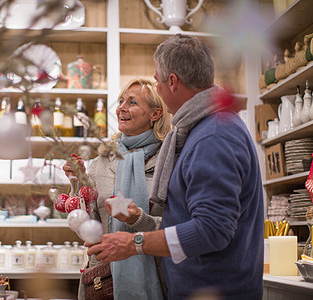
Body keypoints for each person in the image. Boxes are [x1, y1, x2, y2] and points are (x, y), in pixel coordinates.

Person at [87, 34, 264, 299]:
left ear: (172, 81)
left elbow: (212, 229)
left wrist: (135, 243)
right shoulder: (205, 129)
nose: (157, 86)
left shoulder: (213, 136)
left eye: (157, 80)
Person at [62, 78, 172, 299]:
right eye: (121, 101)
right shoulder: (101, 161)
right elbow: (85, 225)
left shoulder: (169, 161)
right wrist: (77, 185)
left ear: (155, 114)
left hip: (158, 279)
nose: (121, 107)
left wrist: (138, 219)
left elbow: (179, 229)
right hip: (104, 281)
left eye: (132, 102)